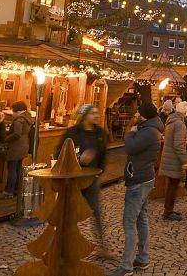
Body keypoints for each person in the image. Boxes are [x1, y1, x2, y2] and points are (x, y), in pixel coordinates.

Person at [55, 104, 113, 259]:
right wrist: (78, 158)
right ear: (85, 115)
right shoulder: (73, 132)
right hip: (73, 180)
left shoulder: (100, 133)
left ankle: (102, 247)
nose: (97, 115)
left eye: (97, 112)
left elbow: (103, 155)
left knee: (96, 212)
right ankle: (63, 247)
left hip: (91, 180)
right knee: (68, 214)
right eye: (93, 113)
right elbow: (60, 152)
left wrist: (99, 173)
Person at [113, 102, 163, 276]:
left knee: (129, 222)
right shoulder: (150, 128)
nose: (136, 114)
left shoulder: (149, 131)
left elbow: (131, 147)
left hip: (139, 179)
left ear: (144, 115)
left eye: (138, 112)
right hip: (144, 177)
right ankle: (142, 258)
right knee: (141, 219)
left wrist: (131, 133)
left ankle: (126, 266)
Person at [159, 101, 187, 221]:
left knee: (172, 186)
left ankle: (169, 210)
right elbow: (178, 146)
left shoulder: (171, 121)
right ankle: (168, 212)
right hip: (174, 160)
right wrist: (184, 161)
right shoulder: (179, 124)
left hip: (169, 158)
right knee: (173, 186)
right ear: (185, 112)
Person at [3, 101, 33, 198]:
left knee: (12, 169)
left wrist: (6, 139)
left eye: (13, 111)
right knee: (17, 168)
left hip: (16, 146)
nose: (12, 113)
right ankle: (16, 190)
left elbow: (16, 134)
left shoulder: (19, 120)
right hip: (24, 145)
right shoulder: (28, 118)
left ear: (17, 110)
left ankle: (9, 192)